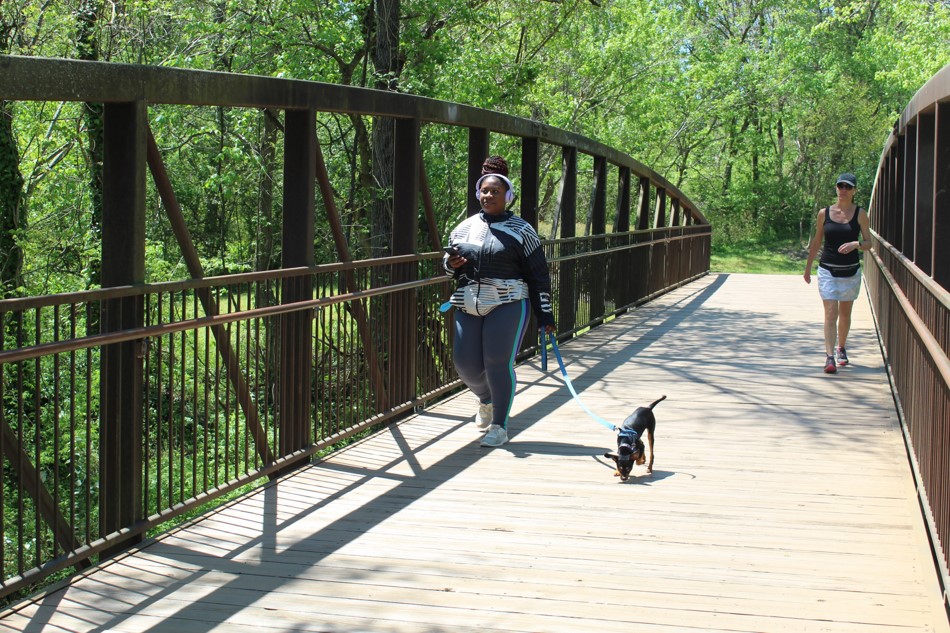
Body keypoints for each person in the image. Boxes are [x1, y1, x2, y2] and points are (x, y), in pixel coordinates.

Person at [443, 156, 556, 447]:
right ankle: (486, 399)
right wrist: (452, 264)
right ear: (477, 194)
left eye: (495, 191)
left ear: (507, 195)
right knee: (464, 364)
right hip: (468, 302)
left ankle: (499, 426)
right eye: (484, 190)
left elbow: (538, 274)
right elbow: (446, 268)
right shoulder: (463, 228)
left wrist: (546, 315)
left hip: (508, 303)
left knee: (497, 361)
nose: (488, 195)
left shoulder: (522, 230)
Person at [803, 173, 872, 374]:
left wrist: (856, 244)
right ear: (836, 188)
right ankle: (829, 356)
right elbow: (817, 242)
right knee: (831, 312)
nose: (843, 190)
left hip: (850, 271)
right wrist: (808, 268)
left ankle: (841, 347)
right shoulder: (824, 213)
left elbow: (869, 243)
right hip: (827, 270)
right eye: (840, 186)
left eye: (848, 187)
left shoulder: (860, 214)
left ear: (854, 191)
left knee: (845, 313)